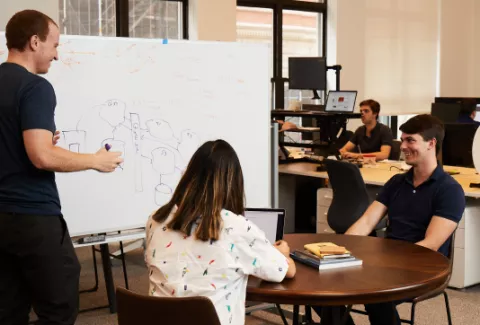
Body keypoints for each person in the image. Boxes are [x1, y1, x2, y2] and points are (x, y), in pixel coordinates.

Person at [0, 10, 123, 325]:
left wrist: (29, 136)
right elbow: (41, 157)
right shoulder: (35, 87)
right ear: (34, 41)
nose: (56, 54)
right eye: (54, 45)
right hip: (32, 218)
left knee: (8, 309)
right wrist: (96, 160)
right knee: (59, 308)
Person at [315, 114, 465, 325]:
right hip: (387, 261)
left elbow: (430, 245)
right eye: (402, 139)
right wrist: (340, 251)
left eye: (410, 140)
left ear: (431, 144)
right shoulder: (397, 182)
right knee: (320, 286)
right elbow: (367, 222)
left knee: (376, 292)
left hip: (424, 266)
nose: (402, 146)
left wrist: (387, 265)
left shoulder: (449, 190)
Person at [145, 139, 296, 325]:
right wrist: (281, 254)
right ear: (233, 183)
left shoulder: (156, 219)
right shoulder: (237, 228)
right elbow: (285, 271)